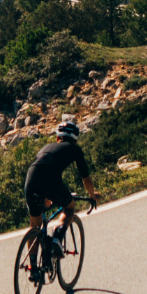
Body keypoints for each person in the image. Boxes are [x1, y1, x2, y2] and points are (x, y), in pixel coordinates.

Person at [24, 120, 100, 281]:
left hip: (30, 179)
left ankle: (33, 268)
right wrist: (92, 195)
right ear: (75, 139)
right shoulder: (75, 149)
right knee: (69, 207)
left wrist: (46, 196)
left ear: (58, 138)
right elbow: (85, 178)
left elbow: (41, 170)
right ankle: (57, 238)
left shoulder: (46, 148)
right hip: (50, 180)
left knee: (35, 224)